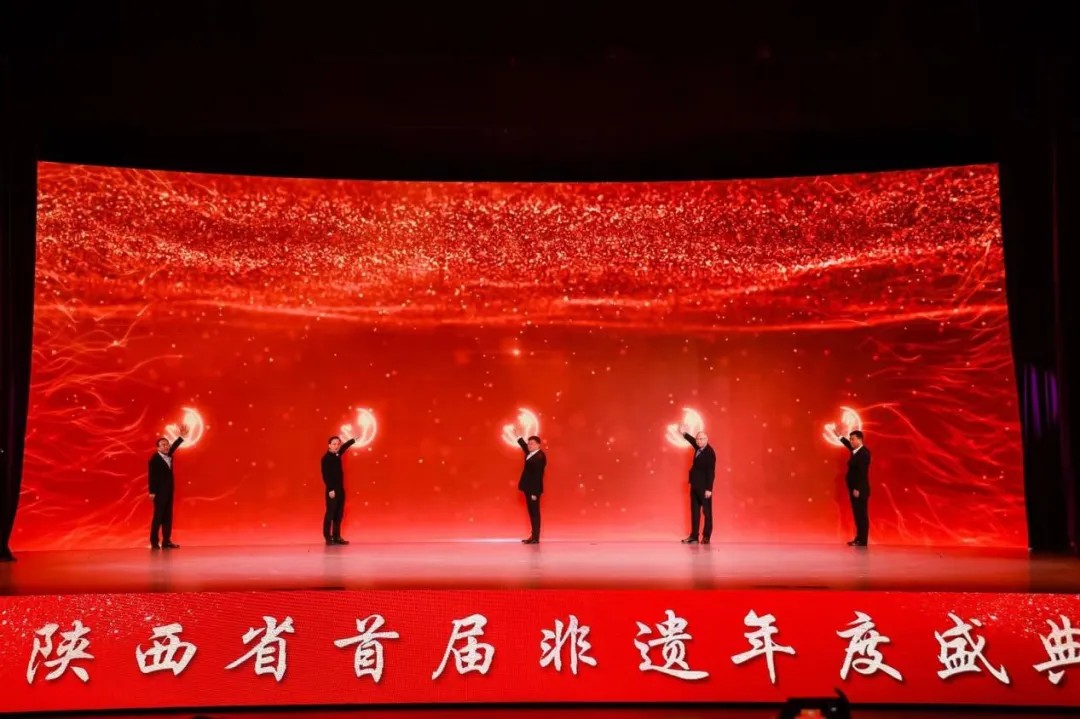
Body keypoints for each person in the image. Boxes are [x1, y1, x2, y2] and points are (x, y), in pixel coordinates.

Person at [148, 426, 187, 550]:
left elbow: (174, 447)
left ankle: (166, 541)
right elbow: (152, 476)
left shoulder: (169, 454)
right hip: (159, 493)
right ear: (158, 448)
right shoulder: (154, 459)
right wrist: (152, 492)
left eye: (167, 444)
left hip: (169, 491)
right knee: (158, 517)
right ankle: (154, 542)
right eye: (163, 445)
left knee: (168, 516)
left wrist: (181, 437)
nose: (166, 446)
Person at [680, 429, 716, 544]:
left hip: (704, 488)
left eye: (701, 439)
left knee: (707, 512)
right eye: (697, 439)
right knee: (695, 512)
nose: (698, 441)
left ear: (706, 439)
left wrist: (709, 489)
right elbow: (692, 441)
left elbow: (711, 472)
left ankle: (706, 536)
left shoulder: (710, 453)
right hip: (695, 485)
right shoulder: (698, 448)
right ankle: (694, 536)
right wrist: (684, 434)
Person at [838, 430, 871, 546]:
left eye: (853, 439)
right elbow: (848, 445)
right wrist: (839, 436)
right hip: (854, 490)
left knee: (861, 515)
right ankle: (859, 538)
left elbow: (862, 473)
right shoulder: (856, 451)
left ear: (860, 439)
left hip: (859, 490)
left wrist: (857, 488)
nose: (851, 441)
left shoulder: (864, 453)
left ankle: (862, 540)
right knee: (857, 514)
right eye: (850, 439)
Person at [321, 435, 356, 545]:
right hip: (332, 490)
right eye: (334, 444)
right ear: (329, 445)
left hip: (340, 489)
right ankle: (328, 537)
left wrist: (353, 440)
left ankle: (337, 536)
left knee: (339, 514)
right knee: (330, 514)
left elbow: (344, 447)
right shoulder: (326, 459)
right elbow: (326, 475)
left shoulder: (337, 455)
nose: (336, 446)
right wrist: (331, 489)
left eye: (338, 444)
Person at [516, 435, 546, 544]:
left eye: (532, 444)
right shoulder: (531, 453)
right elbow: (524, 447)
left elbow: (538, 476)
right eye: (529, 444)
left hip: (534, 490)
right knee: (531, 512)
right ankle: (533, 536)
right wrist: (519, 437)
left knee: (535, 513)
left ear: (538, 445)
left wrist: (534, 492)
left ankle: (535, 537)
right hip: (528, 488)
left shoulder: (540, 457)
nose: (529, 445)